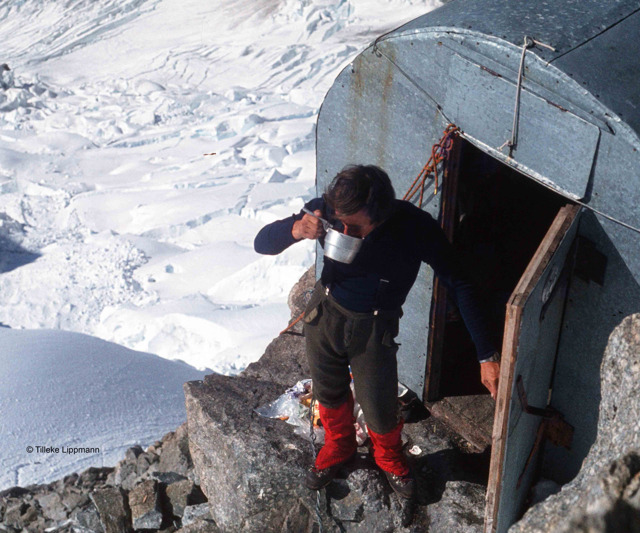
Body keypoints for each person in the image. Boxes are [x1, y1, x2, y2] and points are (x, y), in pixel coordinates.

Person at [254, 164, 500, 499]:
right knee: (328, 388)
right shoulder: (328, 210)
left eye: (354, 227)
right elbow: (261, 243)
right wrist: (296, 229)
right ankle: (339, 445)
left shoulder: (415, 228)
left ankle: (388, 455)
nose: (343, 229)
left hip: (373, 326)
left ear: (380, 214)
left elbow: (459, 283)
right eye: (339, 223)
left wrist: (486, 354)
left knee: (379, 401)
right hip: (324, 311)